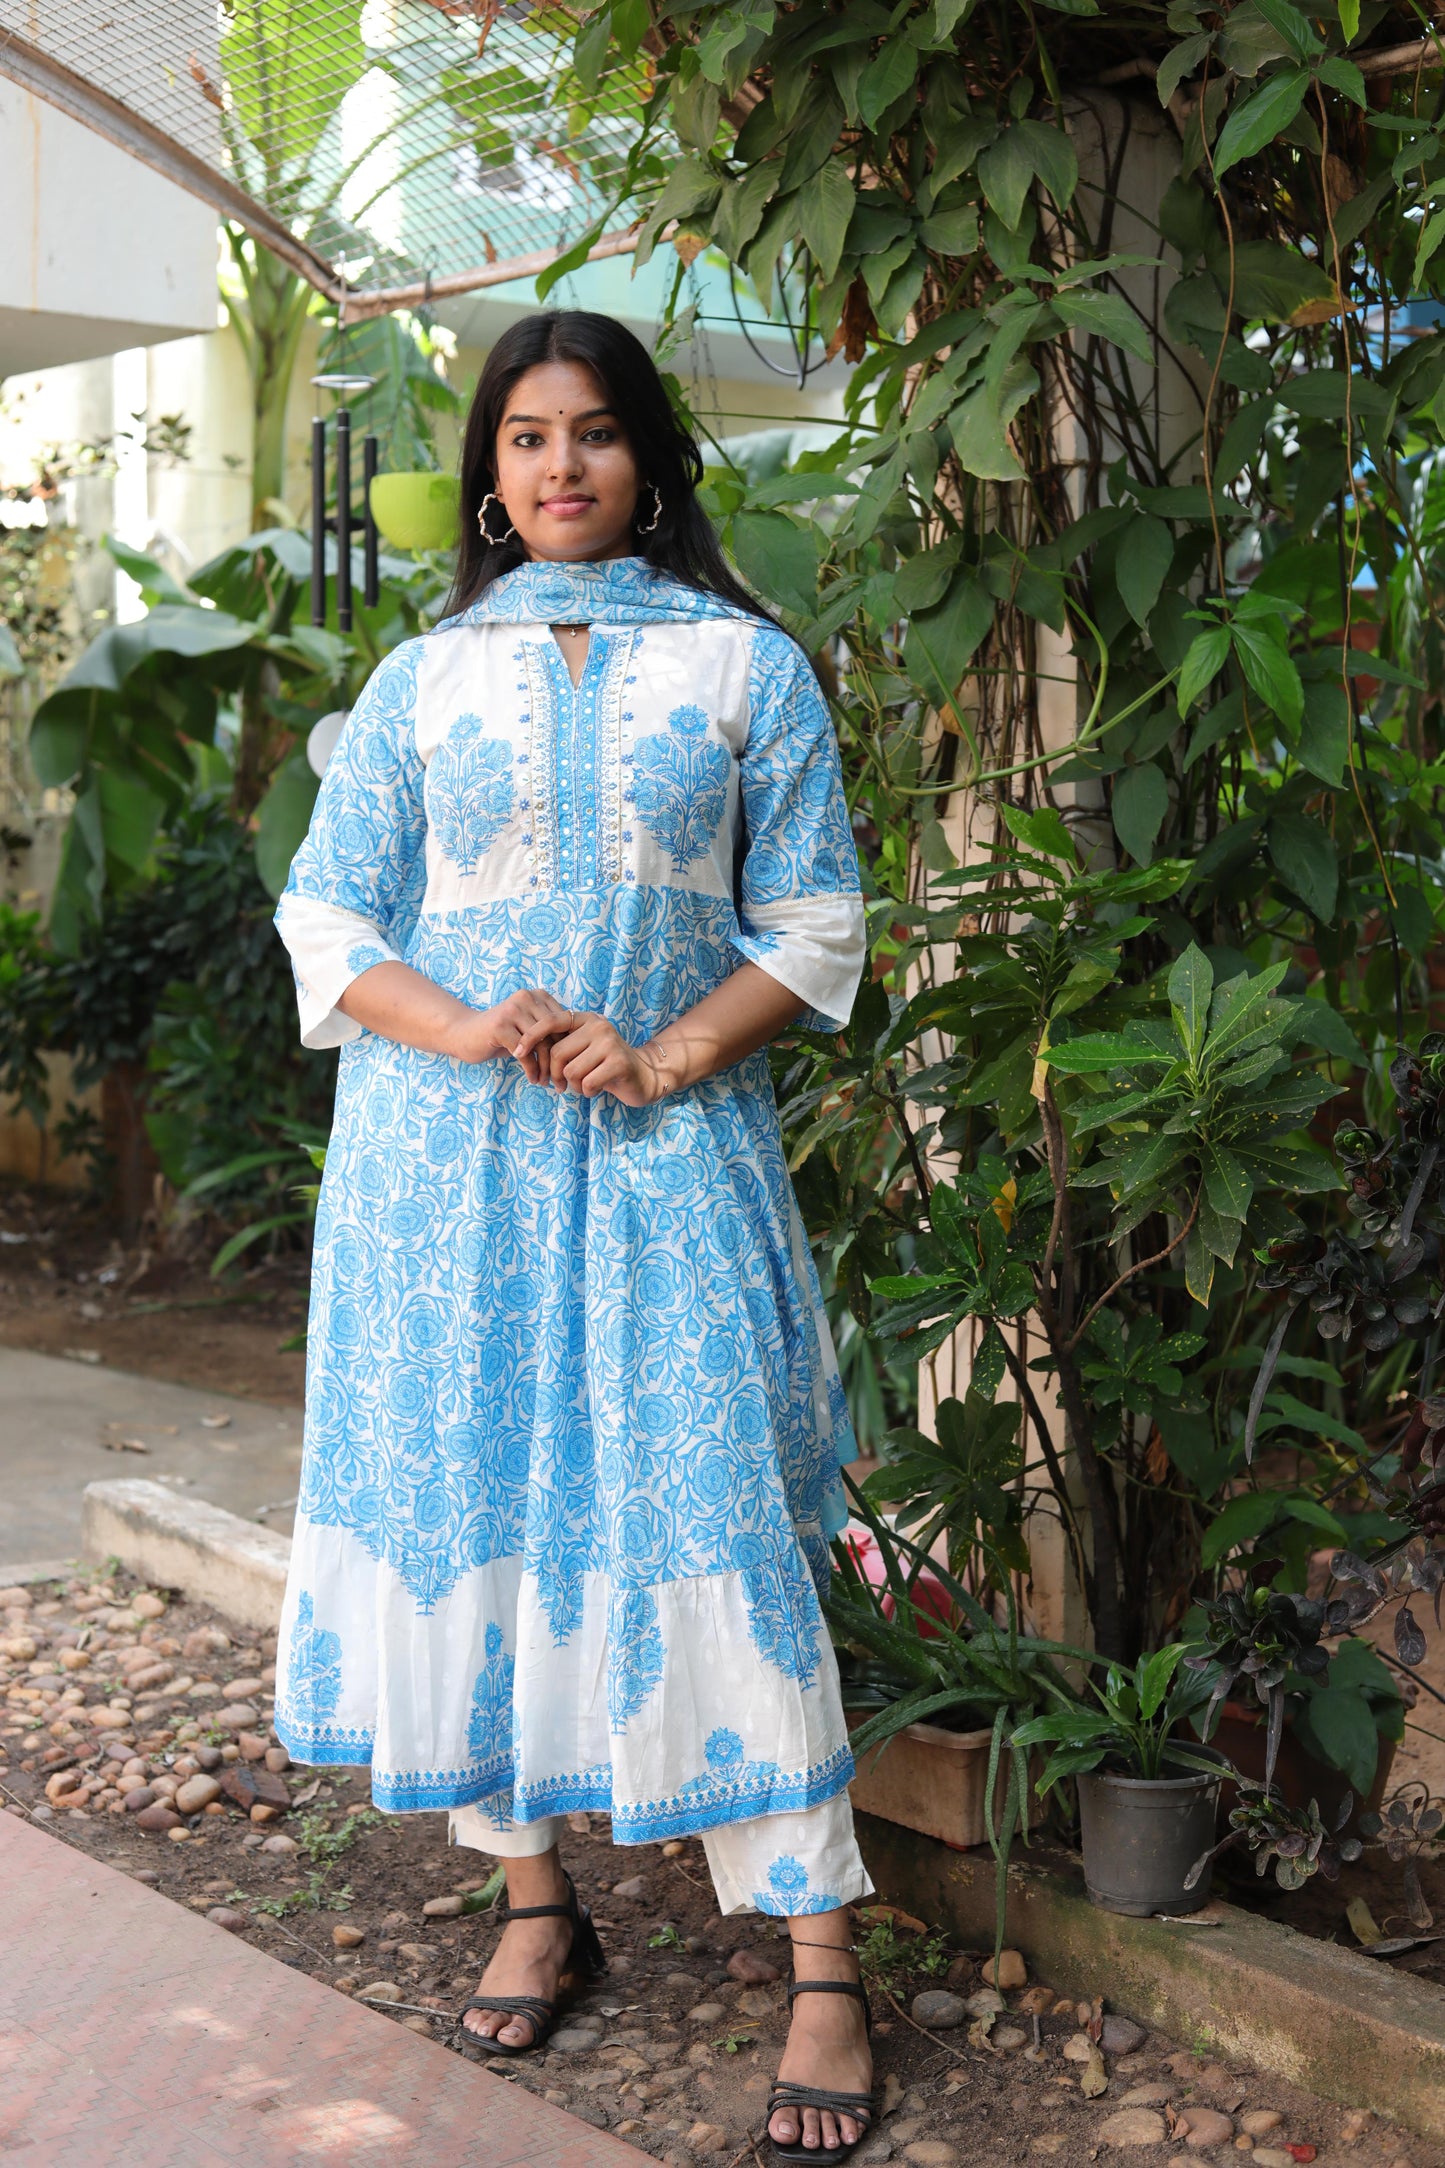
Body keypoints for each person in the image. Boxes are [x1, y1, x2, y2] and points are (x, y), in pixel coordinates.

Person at [273, 308, 875, 2161]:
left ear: (650, 465)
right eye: (527, 438)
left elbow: (820, 918)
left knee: (699, 1512)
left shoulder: (742, 670)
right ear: (488, 469)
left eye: (596, 435)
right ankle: (534, 1895)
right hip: (441, 1175)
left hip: (666, 1151)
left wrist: (669, 1047)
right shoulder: (416, 685)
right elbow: (325, 917)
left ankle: (825, 1963)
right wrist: (470, 1023)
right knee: (484, 1495)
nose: (559, 468)